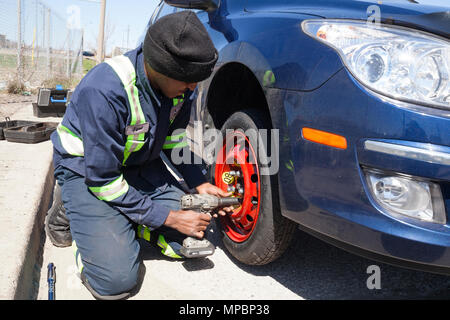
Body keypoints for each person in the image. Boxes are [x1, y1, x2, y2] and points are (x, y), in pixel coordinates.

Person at [46, 11, 231, 300]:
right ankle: (69, 208)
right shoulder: (105, 90)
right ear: (161, 68)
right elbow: (104, 180)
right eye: (188, 81)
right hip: (88, 173)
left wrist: (199, 182)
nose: (193, 88)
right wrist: (167, 217)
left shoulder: (180, 88)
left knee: (194, 231)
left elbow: (175, 141)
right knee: (115, 281)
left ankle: (129, 224)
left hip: (138, 166)